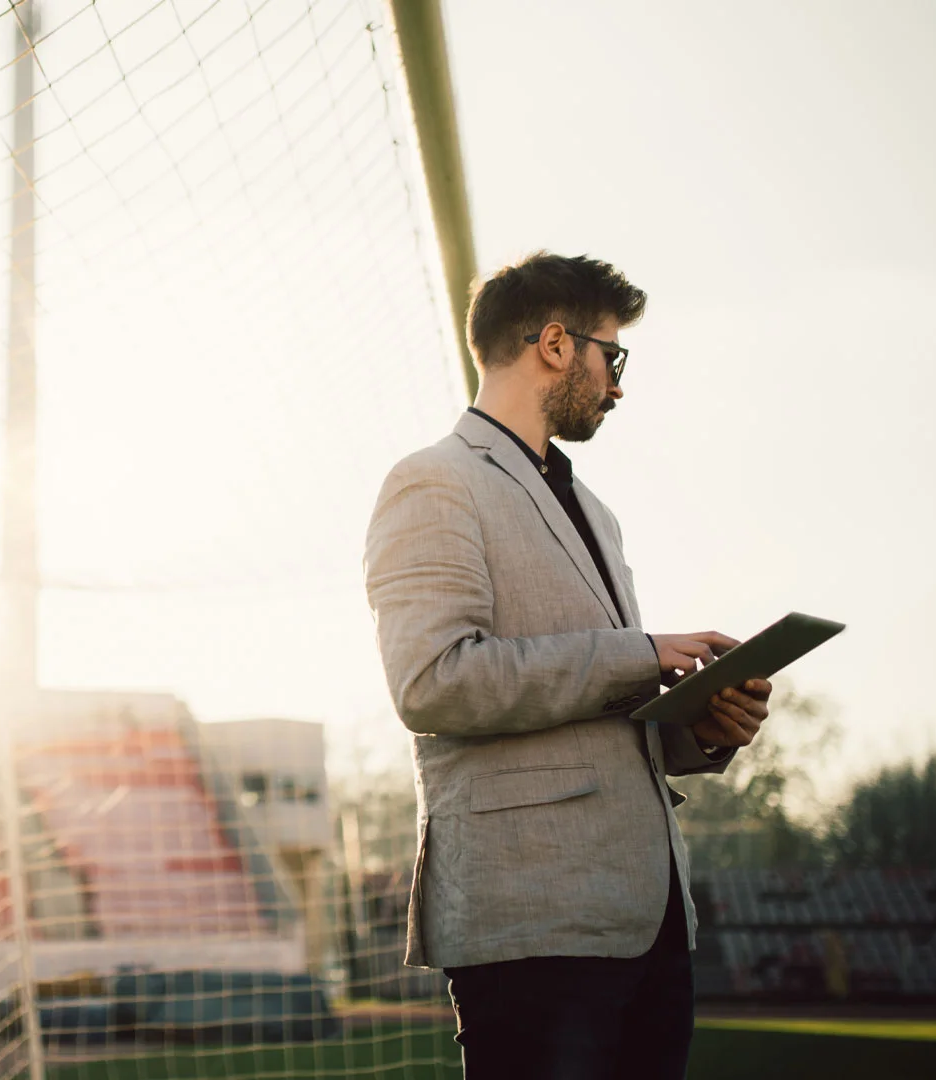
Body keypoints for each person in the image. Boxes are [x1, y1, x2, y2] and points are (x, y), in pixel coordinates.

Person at [363, 252, 773, 1079]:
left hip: (649, 917)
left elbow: (603, 710)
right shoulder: (432, 482)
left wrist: (699, 727)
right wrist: (642, 653)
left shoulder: (597, 512)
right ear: (555, 343)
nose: (617, 385)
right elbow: (434, 681)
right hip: (529, 916)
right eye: (610, 356)